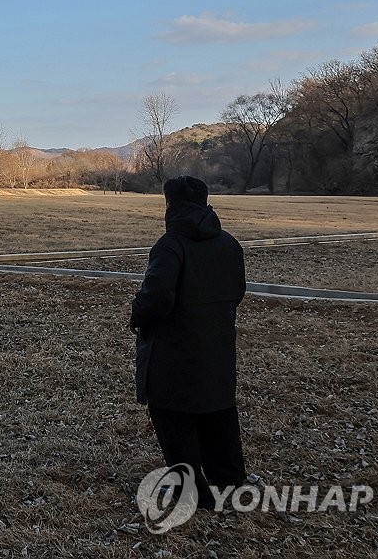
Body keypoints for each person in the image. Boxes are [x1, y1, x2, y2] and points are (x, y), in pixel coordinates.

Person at [130, 175, 247, 508]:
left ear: (171, 205)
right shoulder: (230, 244)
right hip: (218, 349)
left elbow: (155, 299)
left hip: (173, 355)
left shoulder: (171, 245)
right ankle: (230, 481)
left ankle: (191, 492)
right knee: (218, 413)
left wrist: (137, 314)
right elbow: (237, 292)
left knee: (174, 422)